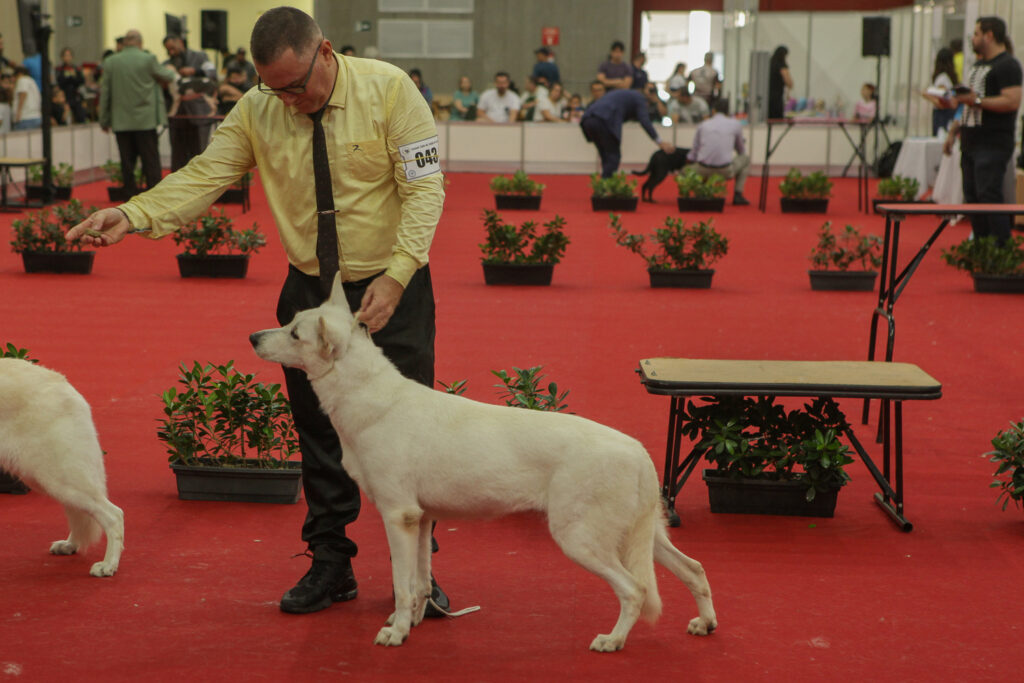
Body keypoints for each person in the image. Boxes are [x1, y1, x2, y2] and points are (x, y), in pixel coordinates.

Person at [67, 6, 449, 618]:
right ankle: (331, 564)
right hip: (309, 294)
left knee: (414, 439)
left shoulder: (390, 88)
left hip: (390, 288)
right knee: (319, 435)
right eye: (275, 88)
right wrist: (134, 214)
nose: (288, 100)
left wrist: (400, 273)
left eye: (296, 85)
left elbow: (424, 187)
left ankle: (423, 580)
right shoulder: (258, 107)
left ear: (325, 53)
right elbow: (205, 175)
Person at [953, 16, 1022, 246]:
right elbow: (969, 102)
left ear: (989, 35)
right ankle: (982, 247)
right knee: (972, 196)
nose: (972, 39)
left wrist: (978, 101)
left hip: (992, 143)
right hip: (970, 140)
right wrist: (954, 129)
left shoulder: (1008, 65)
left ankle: (1002, 249)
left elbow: (1012, 101)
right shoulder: (979, 65)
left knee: (988, 195)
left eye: (975, 33)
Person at [99, 30, 176, 194]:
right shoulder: (148, 59)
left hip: (121, 122)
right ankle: (153, 199)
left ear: (125, 43)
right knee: (151, 163)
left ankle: (129, 199)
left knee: (127, 164)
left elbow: (105, 93)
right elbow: (169, 76)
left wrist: (104, 120)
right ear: (140, 43)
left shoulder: (111, 61)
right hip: (145, 121)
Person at [580, 86, 674, 178]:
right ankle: (605, 188)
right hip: (603, 120)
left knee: (606, 156)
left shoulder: (627, 95)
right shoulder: (640, 99)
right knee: (613, 156)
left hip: (587, 121)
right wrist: (659, 141)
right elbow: (644, 121)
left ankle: (603, 187)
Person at [163, 34, 218, 171]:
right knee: (177, 159)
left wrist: (195, 71)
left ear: (180, 42)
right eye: (168, 50)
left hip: (200, 115)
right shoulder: (167, 64)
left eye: (173, 48)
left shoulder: (200, 56)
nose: (171, 52)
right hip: (177, 116)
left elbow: (212, 73)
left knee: (199, 156)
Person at [684, 98, 751, 206]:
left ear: (713, 111)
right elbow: (741, 151)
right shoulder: (735, 124)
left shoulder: (703, 124)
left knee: (685, 170)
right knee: (746, 159)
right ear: (728, 112)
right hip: (725, 170)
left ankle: (696, 191)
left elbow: (694, 152)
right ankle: (738, 194)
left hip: (702, 169)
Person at [922, 47, 959, 135]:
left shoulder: (942, 78)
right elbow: (942, 99)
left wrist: (928, 95)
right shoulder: (944, 78)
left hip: (943, 115)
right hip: (944, 115)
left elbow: (942, 101)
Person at [55, 48, 88, 123]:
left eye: (69, 55)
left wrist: (72, 77)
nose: (67, 58)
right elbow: (60, 81)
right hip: (64, 96)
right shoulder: (59, 69)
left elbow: (81, 81)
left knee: (81, 114)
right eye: (65, 56)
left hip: (75, 96)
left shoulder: (76, 69)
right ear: (62, 57)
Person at [12, 66, 42, 130]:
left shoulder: (22, 80)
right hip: (35, 116)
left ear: (19, 74)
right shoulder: (32, 81)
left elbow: (23, 93)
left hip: (25, 117)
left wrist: (18, 112)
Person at [768, 46, 793, 120]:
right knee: (776, 119)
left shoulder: (769, 64)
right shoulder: (781, 65)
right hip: (776, 97)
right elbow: (789, 82)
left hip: (766, 96)